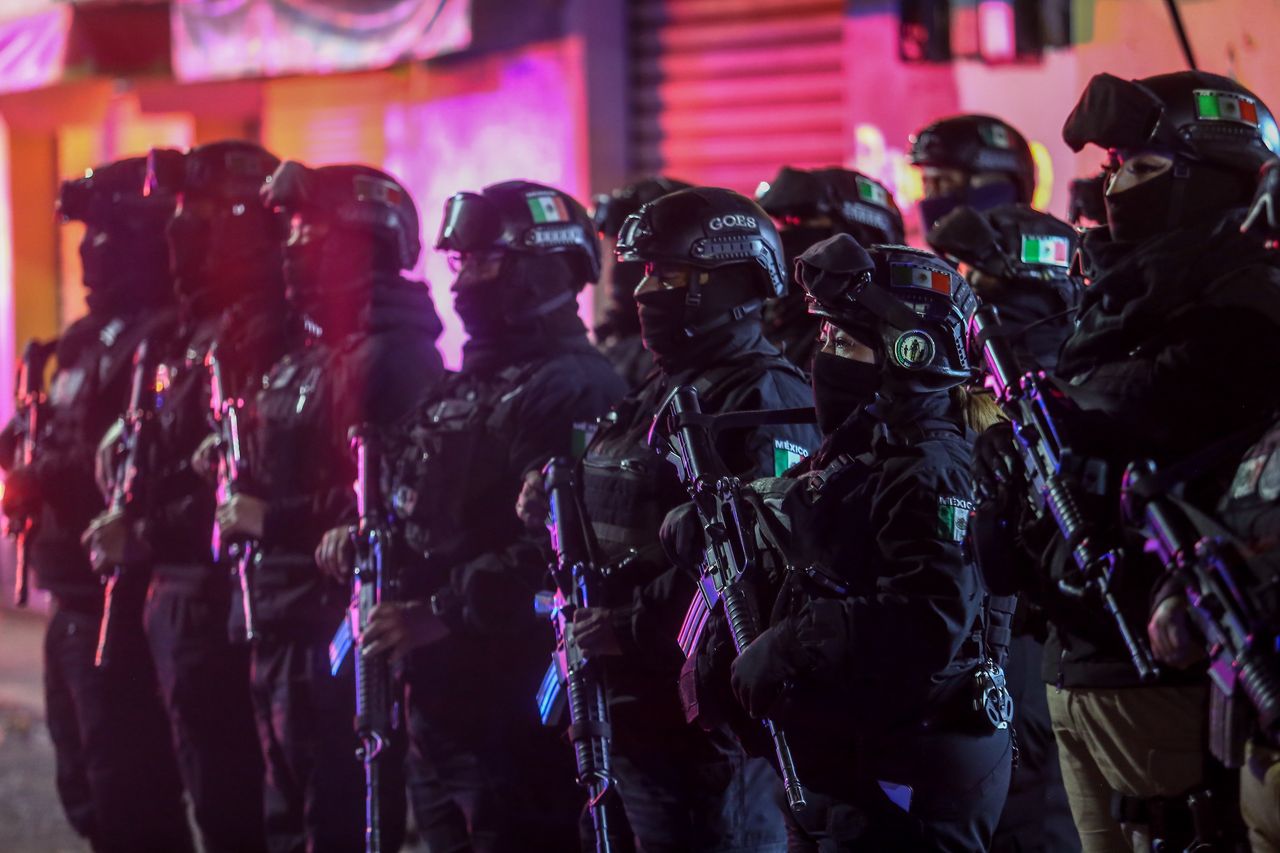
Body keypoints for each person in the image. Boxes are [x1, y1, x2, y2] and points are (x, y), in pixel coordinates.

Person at [975, 70, 1280, 852]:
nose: (1113, 188)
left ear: (1209, 179)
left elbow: (1154, 409)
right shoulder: (1118, 297)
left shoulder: (1245, 306)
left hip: (1172, 671)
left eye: (1138, 168)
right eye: (1113, 168)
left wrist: (1076, 420)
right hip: (1078, 668)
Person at [672, 233, 1011, 851]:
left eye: (846, 343)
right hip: (853, 763)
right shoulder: (869, 449)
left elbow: (929, 617)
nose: (825, 357)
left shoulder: (931, 466)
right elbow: (821, 526)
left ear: (909, 355)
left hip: (911, 769)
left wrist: (794, 643)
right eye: (825, 337)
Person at [317, 180, 626, 852]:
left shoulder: (575, 386)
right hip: (439, 702)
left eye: (487, 262)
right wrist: (363, 539)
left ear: (543, 268)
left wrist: (441, 610)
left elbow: (562, 549)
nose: (466, 282)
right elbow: (423, 508)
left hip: (516, 710)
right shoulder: (466, 383)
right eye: (461, 263)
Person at [515, 186, 819, 852]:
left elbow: (755, 567)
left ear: (730, 276)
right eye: (646, 271)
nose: (649, 289)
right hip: (628, 711)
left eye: (671, 274)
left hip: (702, 736)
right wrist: (551, 501)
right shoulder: (663, 387)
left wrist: (631, 626)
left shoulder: (764, 396)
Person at [209, 160, 445, 852]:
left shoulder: (392, 358)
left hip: (336, 631)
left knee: (336, 820)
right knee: (285, 819)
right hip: (276, 617)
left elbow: (391, 503)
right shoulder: (307, 352)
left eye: (310, 234)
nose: (292, 249)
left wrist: (272, 517)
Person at [83, 140, 286, 853]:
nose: (179, 229)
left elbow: (235, 485)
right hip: (172, 597)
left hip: (224, 598)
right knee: (182, 789)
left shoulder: (265, 329)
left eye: (197, 213)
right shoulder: (183, 330)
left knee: (241, 805)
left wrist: (145, 531)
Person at [0, 157, 194, 853]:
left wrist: (44, 474)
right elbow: (50, 430)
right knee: (84, 787)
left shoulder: (159, 338)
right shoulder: (84, 339)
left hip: (118, 602)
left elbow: (127, 454)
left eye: (101, 233)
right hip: (68, 597)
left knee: (130, 791)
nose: (85, 250)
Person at [756, 167, 904, 371]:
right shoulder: (768, 313)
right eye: (784, 223)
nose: (785, 235)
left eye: (798, 221)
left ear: (858, 240)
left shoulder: (865, 342)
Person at [592, 176, 691, 389]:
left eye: (637, 259)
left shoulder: (669, 354)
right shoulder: (613, 337)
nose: (616, 268)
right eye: (614, 252)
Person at [910, 114, 1037, 232]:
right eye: (925, 182)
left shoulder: (1049, 252)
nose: (931, 194)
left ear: (996, 187)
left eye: (944, 180)